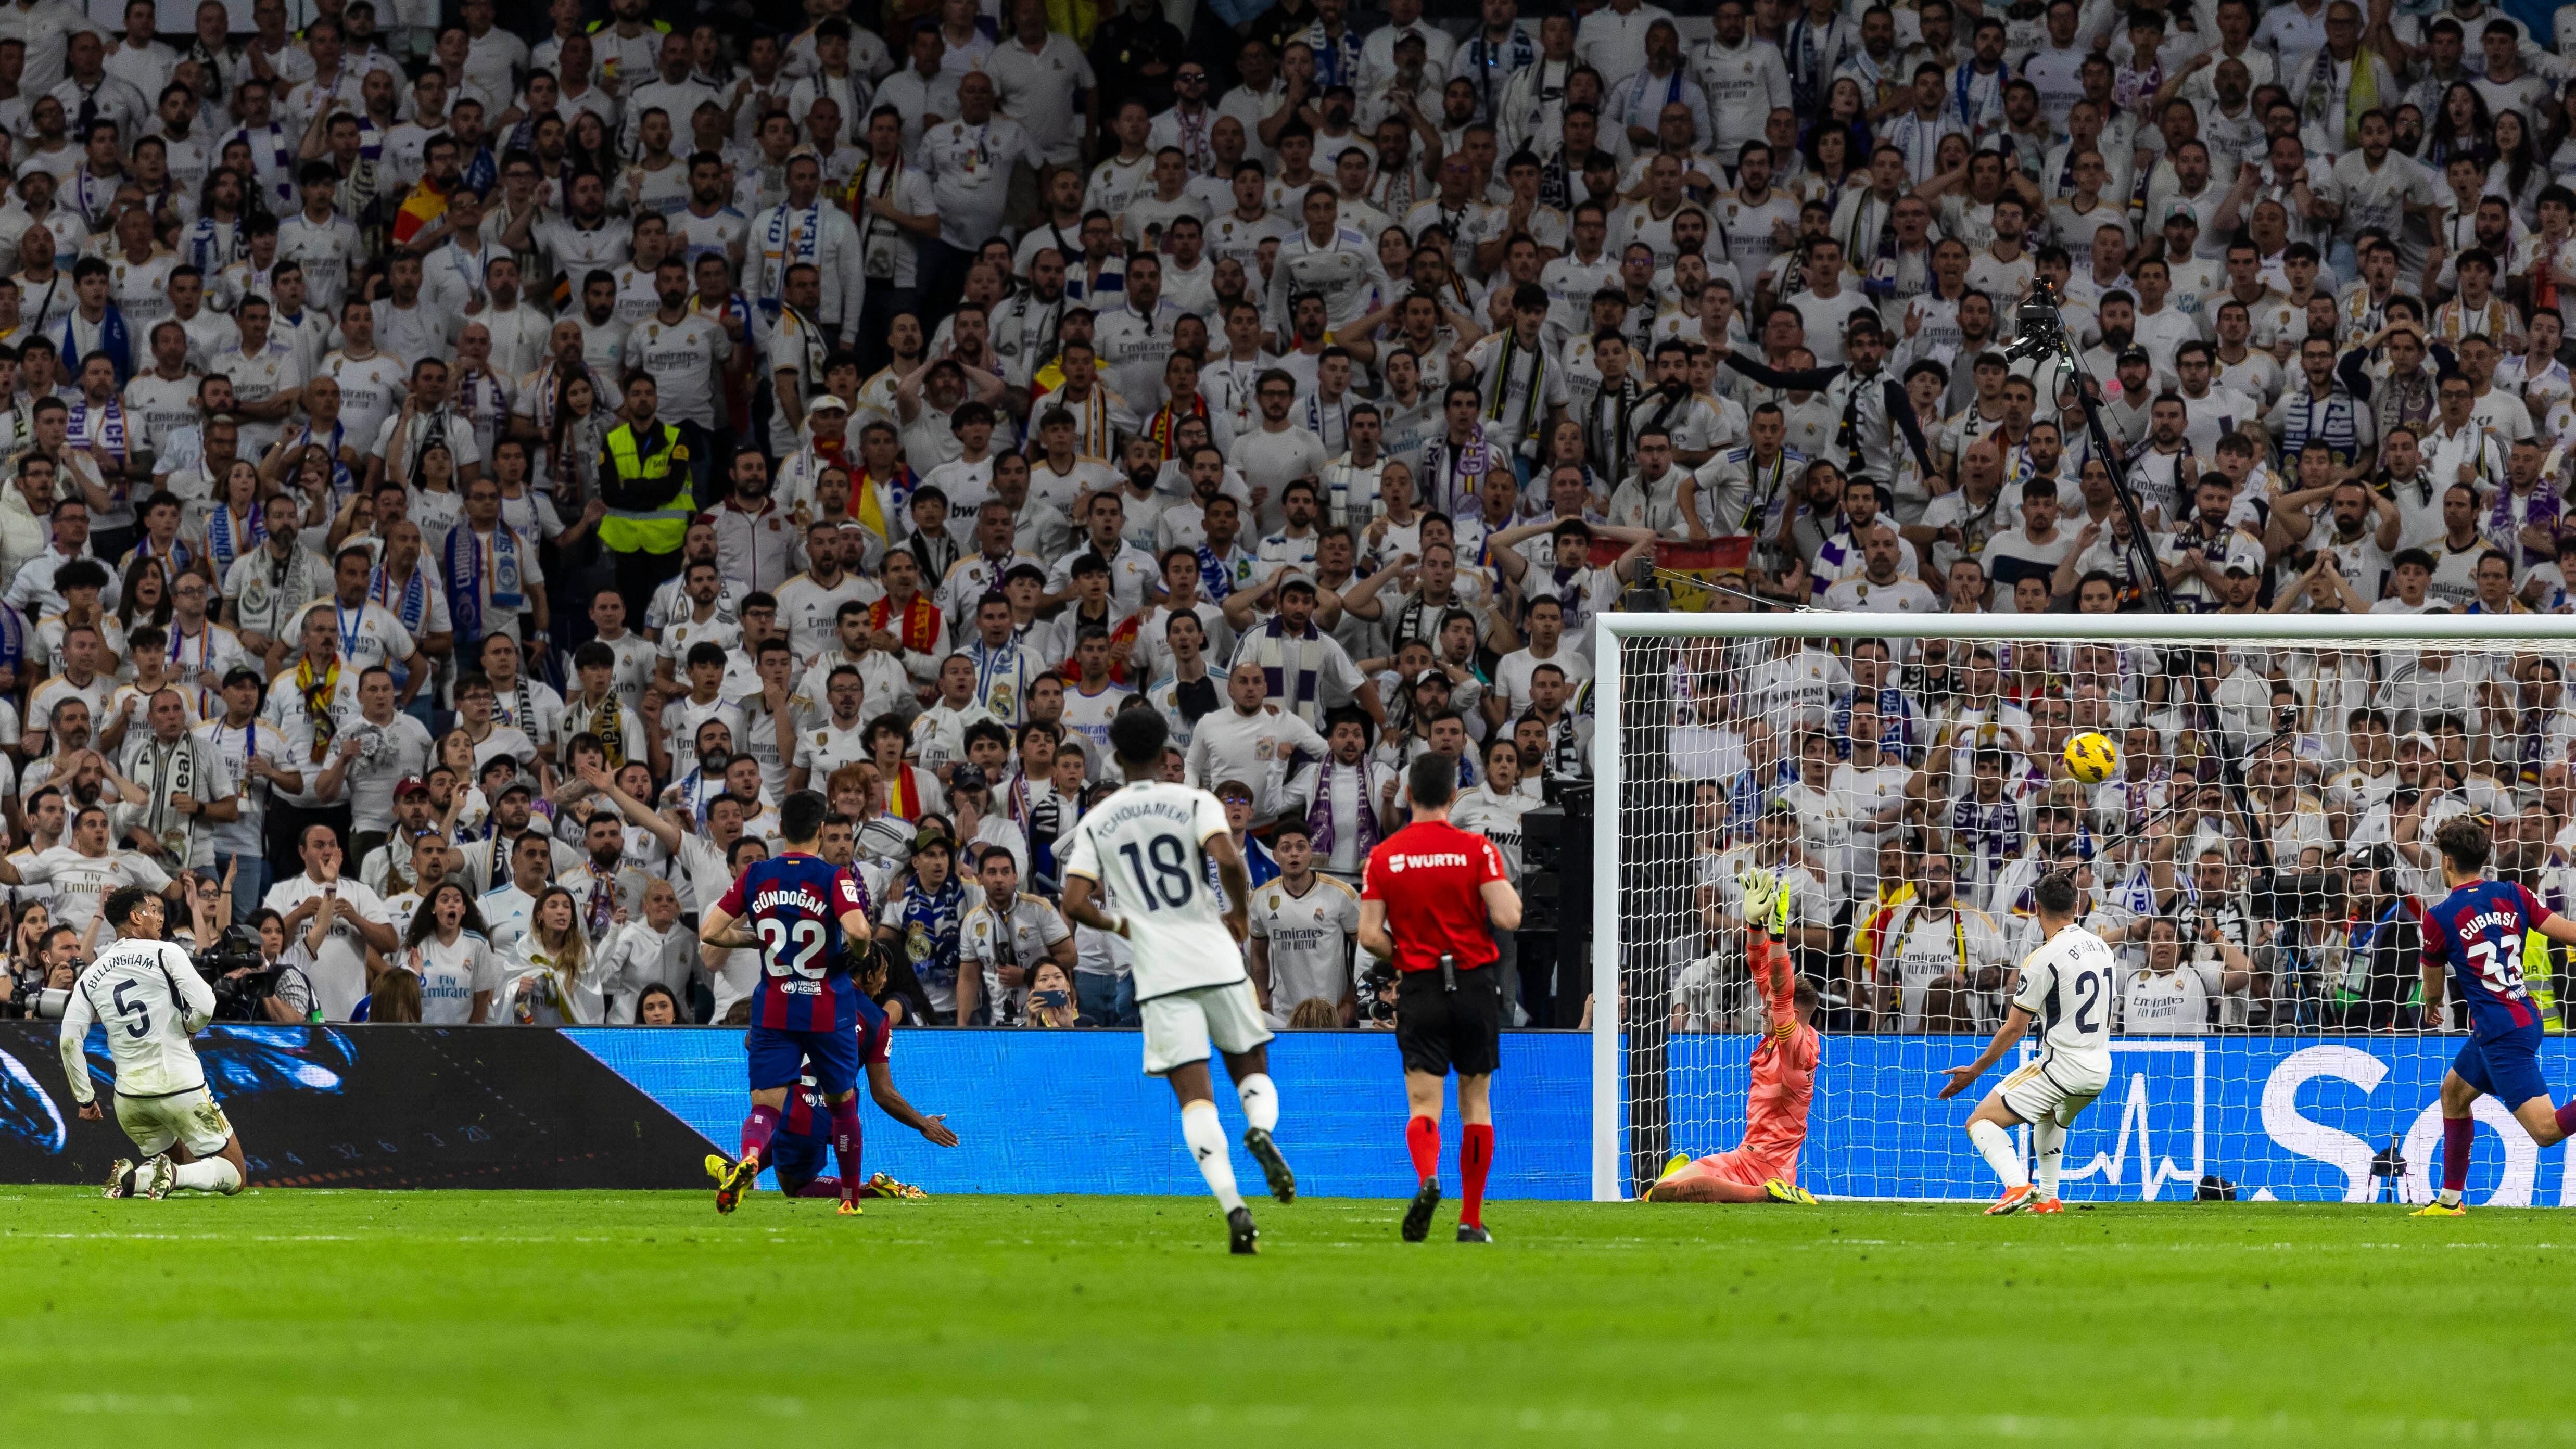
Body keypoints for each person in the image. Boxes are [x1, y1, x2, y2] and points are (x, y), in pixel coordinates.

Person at [1060, 707, 1294, 1255]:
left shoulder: (1099, 819)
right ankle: (1260, 1129)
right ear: (1167, 750)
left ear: (1114, 757)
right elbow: (1230, 861)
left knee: (1195, 1100)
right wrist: (1237, 914)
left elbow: (1073, 901)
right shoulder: (1195, 801)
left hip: (1157, 967)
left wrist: (1123, 923)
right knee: (1251, 1068)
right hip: (1211, 951)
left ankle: (1235, 1208)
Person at [700, 790, 919, 1215]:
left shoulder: (756, 874)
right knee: (841, 1104)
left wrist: (758, 938)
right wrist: (855, 957)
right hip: (826, 1006)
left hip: (775, 1004)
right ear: (821, 830)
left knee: (765, 1104)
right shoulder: (833, 876)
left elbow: (710, 931)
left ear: (781, 829)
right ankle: (851, 1200)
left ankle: (748, 1157)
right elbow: (858, 933)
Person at [1357, 749, 1524, 1244]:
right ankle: (1470, 1220)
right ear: (1454, 796)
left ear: (1408, 794)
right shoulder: (1477, 849)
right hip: (1473, 984)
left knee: (1423, 1104)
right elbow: (1509, 917)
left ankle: (1428, 1179)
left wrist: (1407, 952)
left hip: (1421, 986)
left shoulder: (1384, 856)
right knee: (1475, 1104)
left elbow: (1368, 935)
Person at [2410, 817, 2576, 1216]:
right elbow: (2568, 932)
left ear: (2446, 862)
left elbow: (2432, 988)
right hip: (2517, 1018)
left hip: (2501, 1032)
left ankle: (2450, 1201)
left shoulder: (2439, 916)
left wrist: (2431, 1006)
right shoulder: (2513, 893)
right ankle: (2449, 1202)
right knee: (2452, 1093)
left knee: (2545, 1131)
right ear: (2483, 858)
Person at [1936, 870, 2117, 1215]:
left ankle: (2017, 1184)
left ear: (2036, 910)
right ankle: (2049, 1198)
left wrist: (1974, 1071)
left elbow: (2013, 1029)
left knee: (1979, 1122)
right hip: (2099, 1069)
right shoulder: (2103, 948)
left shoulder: (2043, 958)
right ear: (2076, 906)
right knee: (2050, 1117)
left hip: (2061, 1068)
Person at [1644, 870, 1820, 1204]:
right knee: (1656, 1195)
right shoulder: (1780, 1034)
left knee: (1670, 1195)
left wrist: (1779, 933)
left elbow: (1781, 990)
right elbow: (1762, 969)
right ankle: (1709, 1182)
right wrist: (1755, 926)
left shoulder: (1797, 1048)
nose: (1761, 1011)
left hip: (1767, 1168)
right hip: (1744, 1158)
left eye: (1769, 1008)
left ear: (1792, 1015)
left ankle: (1767, 1196)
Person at [67, 884, 247, 1199]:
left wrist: (85, 1099)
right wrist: (189, 1028)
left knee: (181, 1164)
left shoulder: (90, 974)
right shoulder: (167, 952)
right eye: (152, 911)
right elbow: (206, 1005)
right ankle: (171, 1175)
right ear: (136, 917)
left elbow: (69, 1040)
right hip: (179, 1084)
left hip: (129, 1099)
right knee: (235, 1173)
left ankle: (136, 1178)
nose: (157, 919)